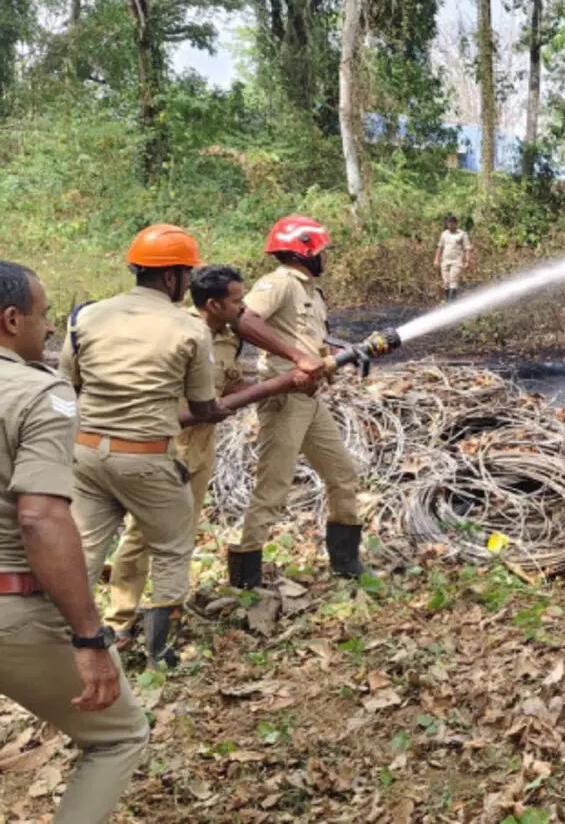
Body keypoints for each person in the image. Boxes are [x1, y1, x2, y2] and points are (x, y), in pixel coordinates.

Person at [0, 260, 150, 822]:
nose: (48, 332)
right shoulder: (38, 394)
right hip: (13, 609)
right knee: (118, 737)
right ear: (12, 319)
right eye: (43, 318)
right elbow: (39, 520)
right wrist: (89, 638)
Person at [104, 265, 319, 638]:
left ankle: (165, 614)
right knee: (143, 534)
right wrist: (279, 384)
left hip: (201, 447)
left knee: (183, 532)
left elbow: (230, 385)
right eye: (237, 302)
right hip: (166, 445)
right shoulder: (179, 333)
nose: (244, 309)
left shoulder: (226, 338)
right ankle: (119, 620)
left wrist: (284, 383)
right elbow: (200, 408)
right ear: (215, 304)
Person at [59, 223, 225, 667]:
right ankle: (161, 653)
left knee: (84, 550)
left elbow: (67, 385)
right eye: (186, 274)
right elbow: (203, 405)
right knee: (171, 546)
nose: (188, 283)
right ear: (171, 278)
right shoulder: (188, 328)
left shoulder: (85, 316)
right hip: (147, 458)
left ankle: (63, 648)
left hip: (87, 453)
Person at [229, 215, 367, 589]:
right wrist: (295, 357)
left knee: (343, 475)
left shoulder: (310, 292)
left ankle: (346, 560)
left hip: (310, 400)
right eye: (321, 250)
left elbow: (311, 343)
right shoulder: (278, 284)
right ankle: (246, 577)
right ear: (304, 250)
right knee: (273, 487)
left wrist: (347, 352)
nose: (326, 256)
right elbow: (243, 320)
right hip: (284, 398)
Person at [433, 213, 473, 303]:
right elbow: (440, 247)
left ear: (456, 223)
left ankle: (451, 304)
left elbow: (467, 248)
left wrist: (467, 261)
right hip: (445, 261)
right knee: (446, 283)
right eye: (448, 223)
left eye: (452, 223)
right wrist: (436, 259)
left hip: (456, 262)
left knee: (453, 281)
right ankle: (448, 301)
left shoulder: (462, 234)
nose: (450, 225)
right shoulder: (444, 234)